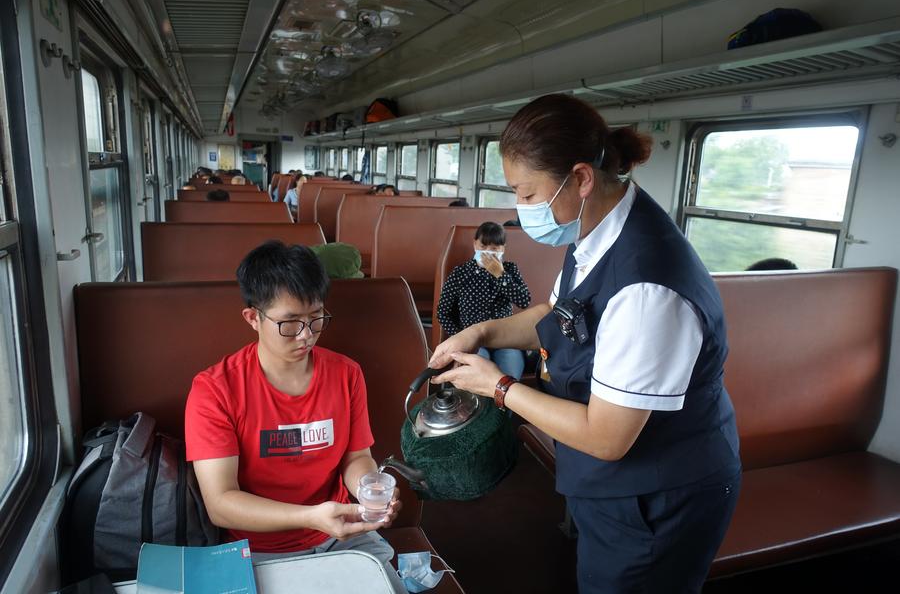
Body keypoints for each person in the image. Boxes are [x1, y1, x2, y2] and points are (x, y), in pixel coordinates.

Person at [429, 94, 741, 594]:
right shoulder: (597, 233)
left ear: (580, 178)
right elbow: (555, 314)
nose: (521, 209)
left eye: (528, 194)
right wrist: (482, 331)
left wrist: (500, 386)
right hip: (620, 487)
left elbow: (606, 437)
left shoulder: (647, 290)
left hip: (657, 498)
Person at [184, 242, 406, 592]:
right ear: (253, 318)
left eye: (316, 317)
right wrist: (311, 517)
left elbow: (357, 457)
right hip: (256, 549)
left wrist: (366, 490)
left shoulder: (346, 374)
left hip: (342, 536)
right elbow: (221, 503)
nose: (306, 335)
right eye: (289, 323)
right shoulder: (215, 390)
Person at [437, 222, 531, 380]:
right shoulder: (460, 273)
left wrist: (500, 275)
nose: (488, 252)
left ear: (503, 248)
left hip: (505, 338)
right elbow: (443, 313)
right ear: (475, 244)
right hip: (473, 340)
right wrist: (460, 337)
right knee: (479, 377)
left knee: (508, 380)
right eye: (483, 246)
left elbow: (524, 301)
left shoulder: (510, 269)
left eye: (494, 248)